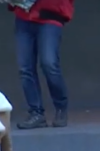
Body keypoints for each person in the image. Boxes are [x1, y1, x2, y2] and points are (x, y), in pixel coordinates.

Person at [10, 0, 74, 129]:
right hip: (24, 16)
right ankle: (36, 112)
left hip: (50, 16)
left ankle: (61, 108)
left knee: (49, 64)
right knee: (25, 68)